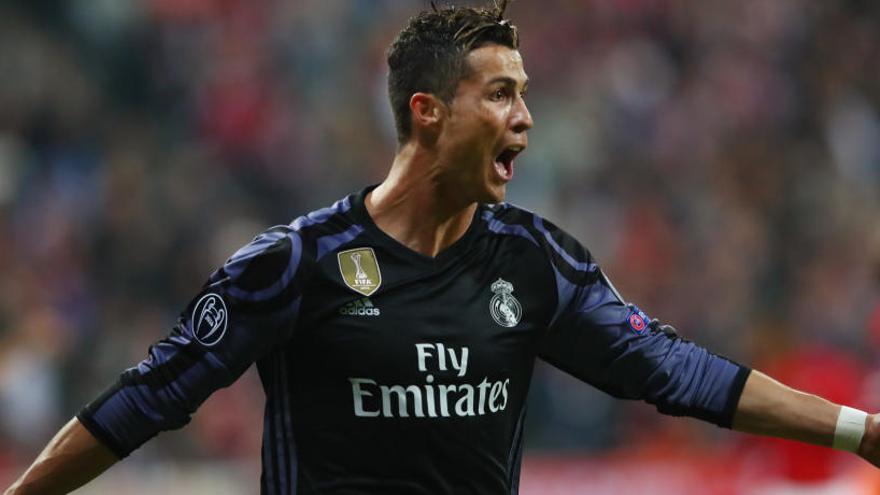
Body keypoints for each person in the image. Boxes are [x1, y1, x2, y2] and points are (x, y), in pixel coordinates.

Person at [5, 2, 880, 494]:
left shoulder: (538, 263)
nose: (527, 119)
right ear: (428, 111)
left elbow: (676, 372)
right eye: (501, 94)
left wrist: (861, 431)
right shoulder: (295, 262)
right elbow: (147, 397)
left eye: (525, 95)